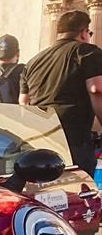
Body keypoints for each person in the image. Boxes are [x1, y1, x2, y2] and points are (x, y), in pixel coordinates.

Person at [20, 10, 102, 176]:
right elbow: (96, 89)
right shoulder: (86, 52)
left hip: (41, 138)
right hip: (74, 138)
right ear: (84, 33)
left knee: (45, 191)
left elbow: (23, 102)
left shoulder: (33, 62)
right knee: (77, 193)